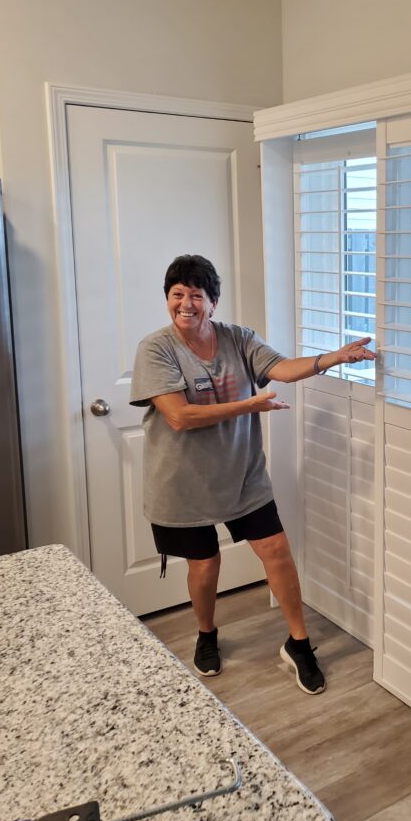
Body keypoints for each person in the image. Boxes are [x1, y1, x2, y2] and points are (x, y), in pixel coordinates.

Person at [130, 254, 376, 692]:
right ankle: (206, 634)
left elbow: (280, 369)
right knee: (205, 567)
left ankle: (298, 644)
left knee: (276, 550)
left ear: (214, 302)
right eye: (177, 295)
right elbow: (180, 416)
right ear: (168, 299)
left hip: (243, 474)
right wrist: (250, 405)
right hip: (181, 483)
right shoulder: (157, 348)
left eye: (196, 296)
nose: (186, 304)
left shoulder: (237, 338)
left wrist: (330, 359)